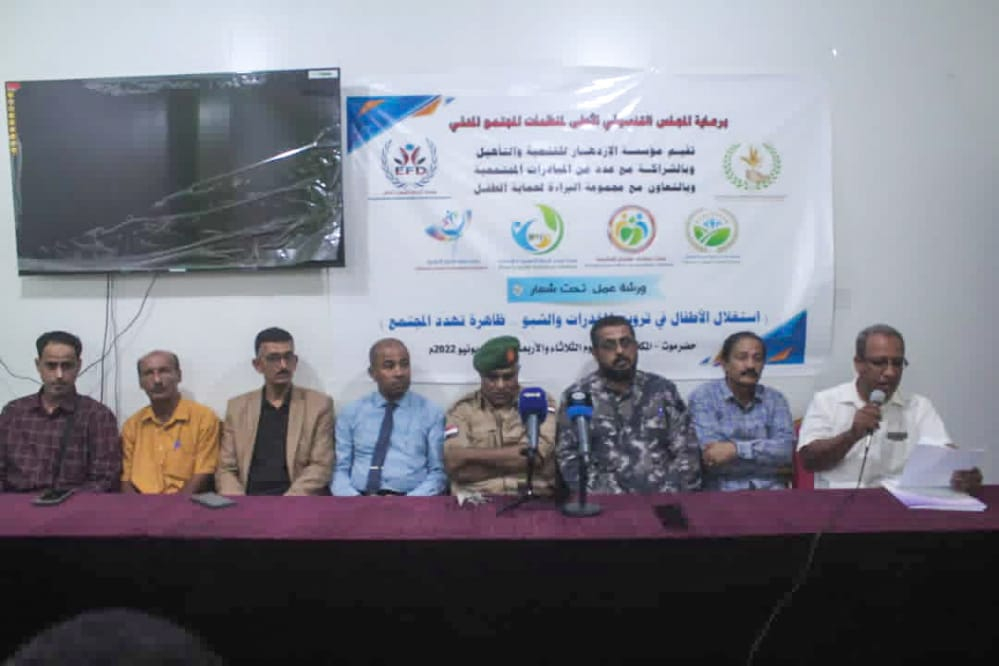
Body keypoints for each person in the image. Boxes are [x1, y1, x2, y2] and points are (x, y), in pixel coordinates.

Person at [798, 324, 982, 490]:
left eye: (897, 363)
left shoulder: (919, 406)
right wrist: (851, 435)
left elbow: (944, 455)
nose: (890, 372)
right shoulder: (826, 401)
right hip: (838, 501)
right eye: (879, 363)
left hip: (899, 503)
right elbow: (809, 461)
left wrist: (962, 472)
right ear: (858, 364)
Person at [556, 315, 701, 494]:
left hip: (663, 499)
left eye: (626, 343)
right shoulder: (578, 397)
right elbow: (569, 457)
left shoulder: (662, 391)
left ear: (636, 346)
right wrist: (605, 497)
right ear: (595, 353)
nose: (619, 351)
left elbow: (687, 450)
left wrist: (669, 494)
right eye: (609, 346)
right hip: (603, 503)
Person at [215, 327, 334, 496]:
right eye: (273, 358)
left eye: (288, 357)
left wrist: (285, 504)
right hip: (248, 499)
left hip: (296, 500)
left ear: (295, 362)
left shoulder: (318, 405)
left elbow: (321, 466)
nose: (283, 365)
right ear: (258, 365)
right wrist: (241, 504)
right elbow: (226, 468)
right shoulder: (238, 408)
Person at [0, 331, 120, 493]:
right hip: (16, 503)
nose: (59, 375)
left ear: (78, 366)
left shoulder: (98, 416)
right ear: (38, 365)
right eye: (51, 366)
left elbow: (105, 479)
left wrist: (67, 502)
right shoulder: (13, 412)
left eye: (67, 366)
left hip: (75, 504)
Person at [443, 335, 557, 496]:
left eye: (508, 377)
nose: (501, 385)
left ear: (517, 372)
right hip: (478, 500)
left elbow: (536, 457)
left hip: (531, 498)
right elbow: (457, 469)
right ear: (481, 376)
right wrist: (519, 461)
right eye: (492, 378)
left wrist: (468, 454)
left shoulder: (539, 401)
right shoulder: (461, 410)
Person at [332, 338, 446, 496]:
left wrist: (406, 503)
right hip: (358, 498)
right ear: (372, 373)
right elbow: (339, 470)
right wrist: (356, 501)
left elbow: (438, 473)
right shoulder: (351, 413)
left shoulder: (431, 413)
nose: (399, 373)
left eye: (404, 364)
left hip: (412, 500)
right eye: (389, 366)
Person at [687, 331, 793, 490]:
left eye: (757, 358)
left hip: (771, 491)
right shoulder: (704, 397)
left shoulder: (775, 399)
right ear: (724, 363)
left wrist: (735, 450)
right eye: (742, 357)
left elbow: (785, 452)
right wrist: (764, 454)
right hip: (722, 493)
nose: (750, 365)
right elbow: (712, 457)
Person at [120, 351, 220, 494]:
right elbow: (125, 479)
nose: (157, 380)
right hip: (141, 502)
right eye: (148, 373)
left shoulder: (203, 418)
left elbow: (204, 472)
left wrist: (175, 505)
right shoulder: (132, 425)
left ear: (179, 375)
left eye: (164, 371)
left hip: (186, 502)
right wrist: (136, 506)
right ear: (140, 382)